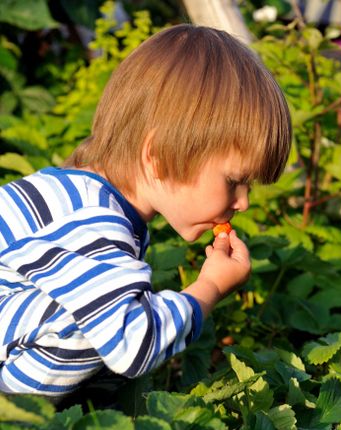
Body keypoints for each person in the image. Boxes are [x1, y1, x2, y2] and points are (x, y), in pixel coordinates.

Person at [0, 24, 292, 399]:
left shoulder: (82, 197)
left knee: (99, 317)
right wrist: (210, 288)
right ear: (156, 158)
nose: (243, 202)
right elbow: (132, 343)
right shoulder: (92, 222)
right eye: (234, 180)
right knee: (94, 332)